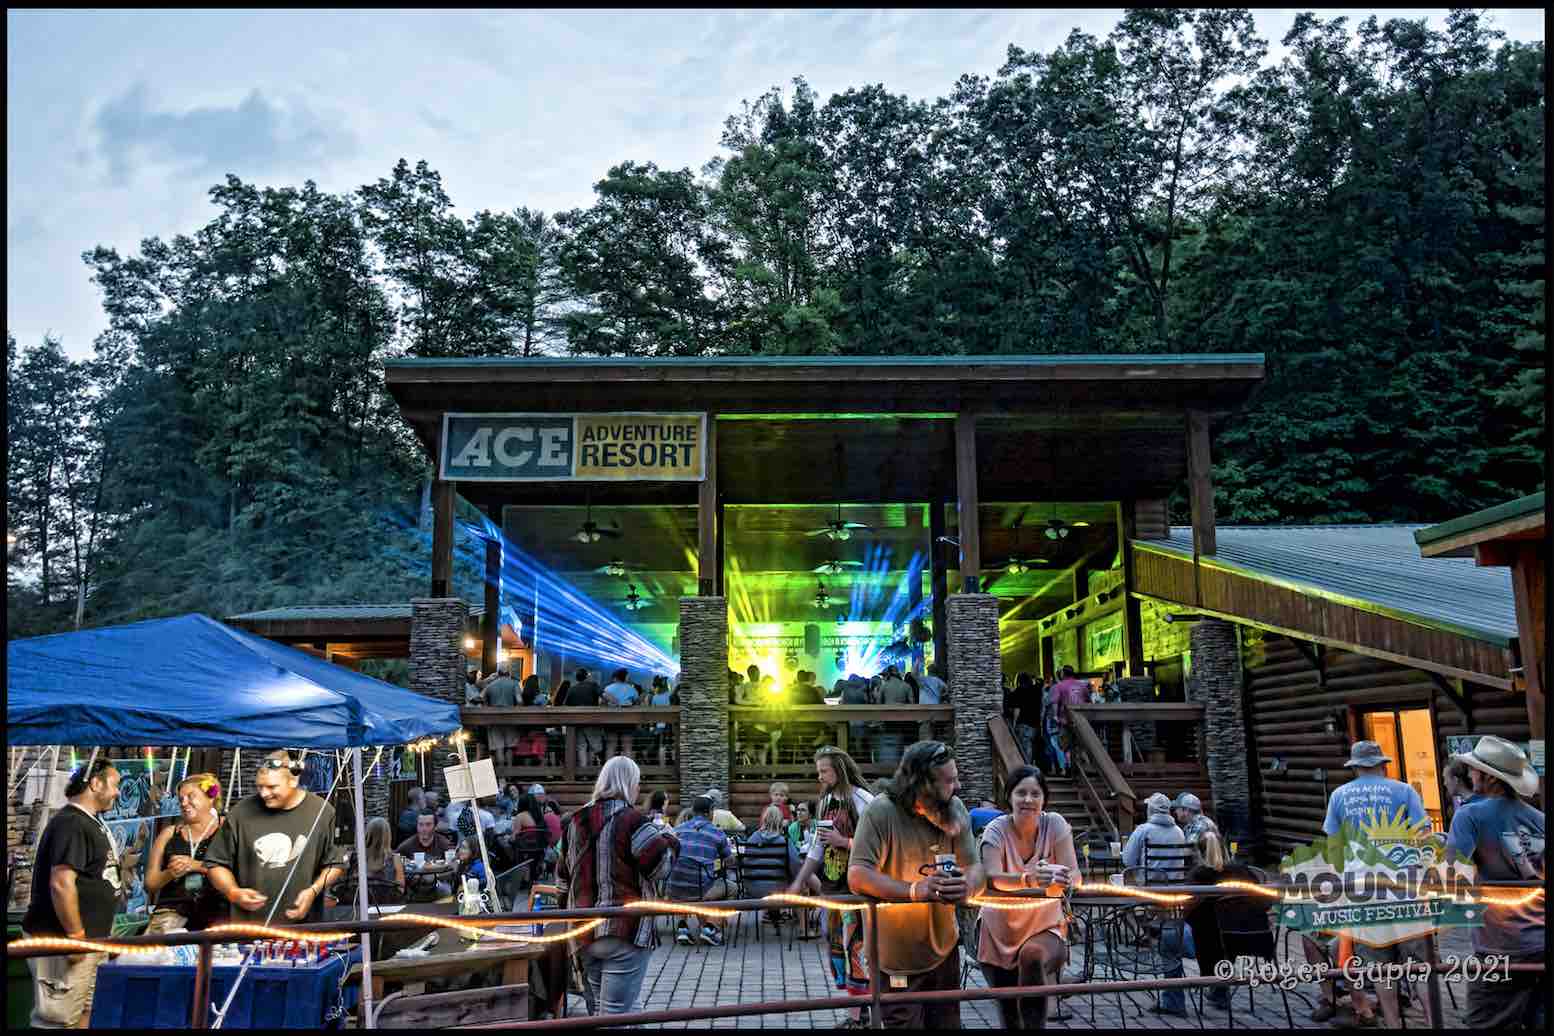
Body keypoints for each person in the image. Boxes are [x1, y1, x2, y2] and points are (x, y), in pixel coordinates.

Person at [848, 740, 984, 1029]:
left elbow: (975, 867)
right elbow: (857, 874)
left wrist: (968, 887)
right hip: (894, 960)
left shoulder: (955, 808)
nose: (957, 786)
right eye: (949, 780)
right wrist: (915, 890)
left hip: (944, 952)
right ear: (922, 783)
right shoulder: (880, 811)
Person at [1316, 739, 1431, 1026]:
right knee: (1419, 966)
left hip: (1362, 890)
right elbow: (1424, 834)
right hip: (1404, 888)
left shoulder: (1339, 795)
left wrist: (1340, 882)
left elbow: (1333, 847)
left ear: (1355, 768)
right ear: (1382, 765)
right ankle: (1434, 1022)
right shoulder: (1404, 790)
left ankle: (1392, 1024)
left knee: (1380, 967)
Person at [556, 755, 677, 1016]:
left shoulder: (575, 822)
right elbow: (661, 869)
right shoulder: (633, 821)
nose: (638, 788)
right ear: (629, 783)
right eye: (637, 782)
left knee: (606, 1009)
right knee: (616, 1013)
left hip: (583, 929)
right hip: (625, 929)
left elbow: (562, 878)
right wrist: (670, 839)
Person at [1445, 735, 1545, 1029]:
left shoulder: (1469, 816)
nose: (1470, 774)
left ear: (1487, 777)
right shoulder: (1540, 818)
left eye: (1474, 769)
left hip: (1500, 944)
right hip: (1540, 938)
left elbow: (1451, 876)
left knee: (1484, 1023)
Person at [21, 758, 122, 1028]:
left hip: (91, 942)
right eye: (115, 784)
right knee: (57, 1019)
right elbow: (61, 883)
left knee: (85, 1013)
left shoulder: (91, 821)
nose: (118, 792)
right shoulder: (71, 823)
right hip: (62, 940)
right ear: (95, 783)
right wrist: (75, 936)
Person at [977, 765, 1076, 1029]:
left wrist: (1067, 879)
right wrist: (1028, 879)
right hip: (999, 931)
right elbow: (992, 876)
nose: (1028, 800)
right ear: (1009, 797)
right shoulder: (995, 830)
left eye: (1035, 793)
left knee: (1032, 955)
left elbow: (1075, 873)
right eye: (1021, 793)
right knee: (1009, 1015)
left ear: (1044, 799)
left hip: (1045, 925)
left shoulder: (1054, 824)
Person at [205, 749, 346, 925]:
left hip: (304, 929)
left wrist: (313, 891)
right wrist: (233, 892)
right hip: (248, 929)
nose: (264, 793)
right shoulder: (240, 812)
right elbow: (215, 864)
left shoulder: (322, 812)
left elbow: (335, 863)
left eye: (272, 787)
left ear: (293, 780)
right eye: (260, 786)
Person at [789, 746, 875, 1024]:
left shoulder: (863, 800)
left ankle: (859, 1014)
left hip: (857, 888)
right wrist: (799, 881)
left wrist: (844, 842)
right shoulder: (825, 801)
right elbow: (816, 847)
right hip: (832, 886)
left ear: (839, 768)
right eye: (818, 771)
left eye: (824, 770)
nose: (820, 776)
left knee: (857, 949)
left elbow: (879, 844)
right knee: (837, 947)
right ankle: (858, 1011)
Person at [1178, 830, 1255, 1012]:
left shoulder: (1198, 875)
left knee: (1183, 932)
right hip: (1237, 933)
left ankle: (1214, 985)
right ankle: (1220, 985)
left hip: (1205, 935)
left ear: (1200, 852)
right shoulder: (1239, 871)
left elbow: (1187, 903)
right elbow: (1259, 892)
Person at [145, 772, 227, 933]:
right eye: (181, 799)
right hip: (173, 912)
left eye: (191, 796)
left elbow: (239, 872)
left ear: (210, 798)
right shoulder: (169, 834)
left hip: (217, 911)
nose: (184, 803)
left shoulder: (227, 829)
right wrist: (170, 873)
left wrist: (196, 865)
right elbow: (151, 883)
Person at [667, 796, 734, 946]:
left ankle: (683, 928)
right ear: (710, 812)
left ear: (693, 811)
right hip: (701, 890)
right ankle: (710, 927)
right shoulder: (717, 833)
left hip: (674, 888)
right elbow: (730, 862)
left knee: (686, 876)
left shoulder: (677, 830)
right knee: (731, 888)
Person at [1123, 792, 1188, 882]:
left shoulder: (1143, 830)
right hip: (1176, 887)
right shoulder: (1179, 832)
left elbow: (1128, 861)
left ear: (1150, 810)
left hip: (1150, 888)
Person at [567, 667, 605, 768]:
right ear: (587, 676)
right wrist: (615, 703)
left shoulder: (572, 689)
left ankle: (583, 773)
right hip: (592, 720)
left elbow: (567, 705)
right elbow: (605, 696)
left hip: (577, 722)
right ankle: (590, 770)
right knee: (594, 747)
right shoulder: (593, 686)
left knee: (581, 747)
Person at [1010, 671, 1042, 765]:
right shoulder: (1037, 690)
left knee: (1025, 748)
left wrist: (1014, 724)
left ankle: (1027, 769)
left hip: (1023, 723)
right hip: (1035, 724)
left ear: (1019, 680)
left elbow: (1017, 710)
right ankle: (1033, 767)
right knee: (1033, 747)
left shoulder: (1018, 691)